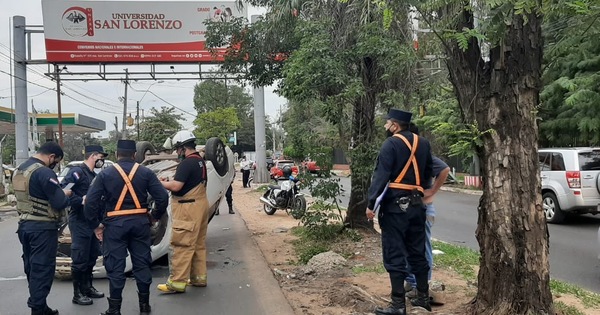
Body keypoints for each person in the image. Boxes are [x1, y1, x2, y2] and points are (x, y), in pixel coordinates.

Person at [84, 140, 168, 315]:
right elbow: (162, 198)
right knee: (142, 264)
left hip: (114, 226)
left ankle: (114, 309)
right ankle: (144, 306)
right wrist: (154, 216)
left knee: (115, 267)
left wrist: (96, 226)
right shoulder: (146, 172)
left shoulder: (105, 174)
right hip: (140, 224)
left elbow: (90, 202)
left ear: (116, 154)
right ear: (135, 155)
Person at [366, 109, 433, 315]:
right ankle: (422, 298)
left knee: (394, 252)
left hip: (395, 207)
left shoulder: (390, 144)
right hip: (417, 205)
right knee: (417, 251)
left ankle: (397, 305)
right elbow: (428, 173)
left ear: (395, 125)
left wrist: (371, 205)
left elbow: (381, 175)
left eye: (388, 123)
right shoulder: (423, 143)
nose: (386, 126)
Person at [13, 141, 72, 315]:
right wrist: (65, 194)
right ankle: (37, 309)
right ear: (51, 157)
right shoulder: (44, 172)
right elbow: (59, 202)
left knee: (32, 267)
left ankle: (41, 306)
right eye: (56, 161)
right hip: (43, 228)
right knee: (43, 269)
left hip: (25, 226)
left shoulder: (20, 169)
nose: (55, 165)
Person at [156, 131, 210, 293]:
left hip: (187, 209)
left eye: (177, 149)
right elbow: (187, 183)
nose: (176, 152)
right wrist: (170, 182)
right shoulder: (200, 161)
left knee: (181, 244)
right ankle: (198, 278)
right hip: (200, 206)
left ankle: (176, 282)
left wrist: (160, 183)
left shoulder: (186, 163)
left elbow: (177, 187)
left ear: (182, 148)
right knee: (198, 244)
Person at [403, 124, 450, 300]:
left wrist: (431, 191)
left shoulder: (423, 155)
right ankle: (411, 281)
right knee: (407, 246)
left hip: (422, 207)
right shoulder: (405, 155)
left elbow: (444, 169)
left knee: (421, 247)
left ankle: (421, 286)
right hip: (407, 207)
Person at [61, 145, 108, 306]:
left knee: (92, 255)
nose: (102, 160)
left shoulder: (93, 175)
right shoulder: (77, 172)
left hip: (92, 222)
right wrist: (81, 200)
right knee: (80, 257)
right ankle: (77, 293)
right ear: (93, 156)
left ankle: (88, 287)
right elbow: (64, 191)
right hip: (79, 220)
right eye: (101, 157)